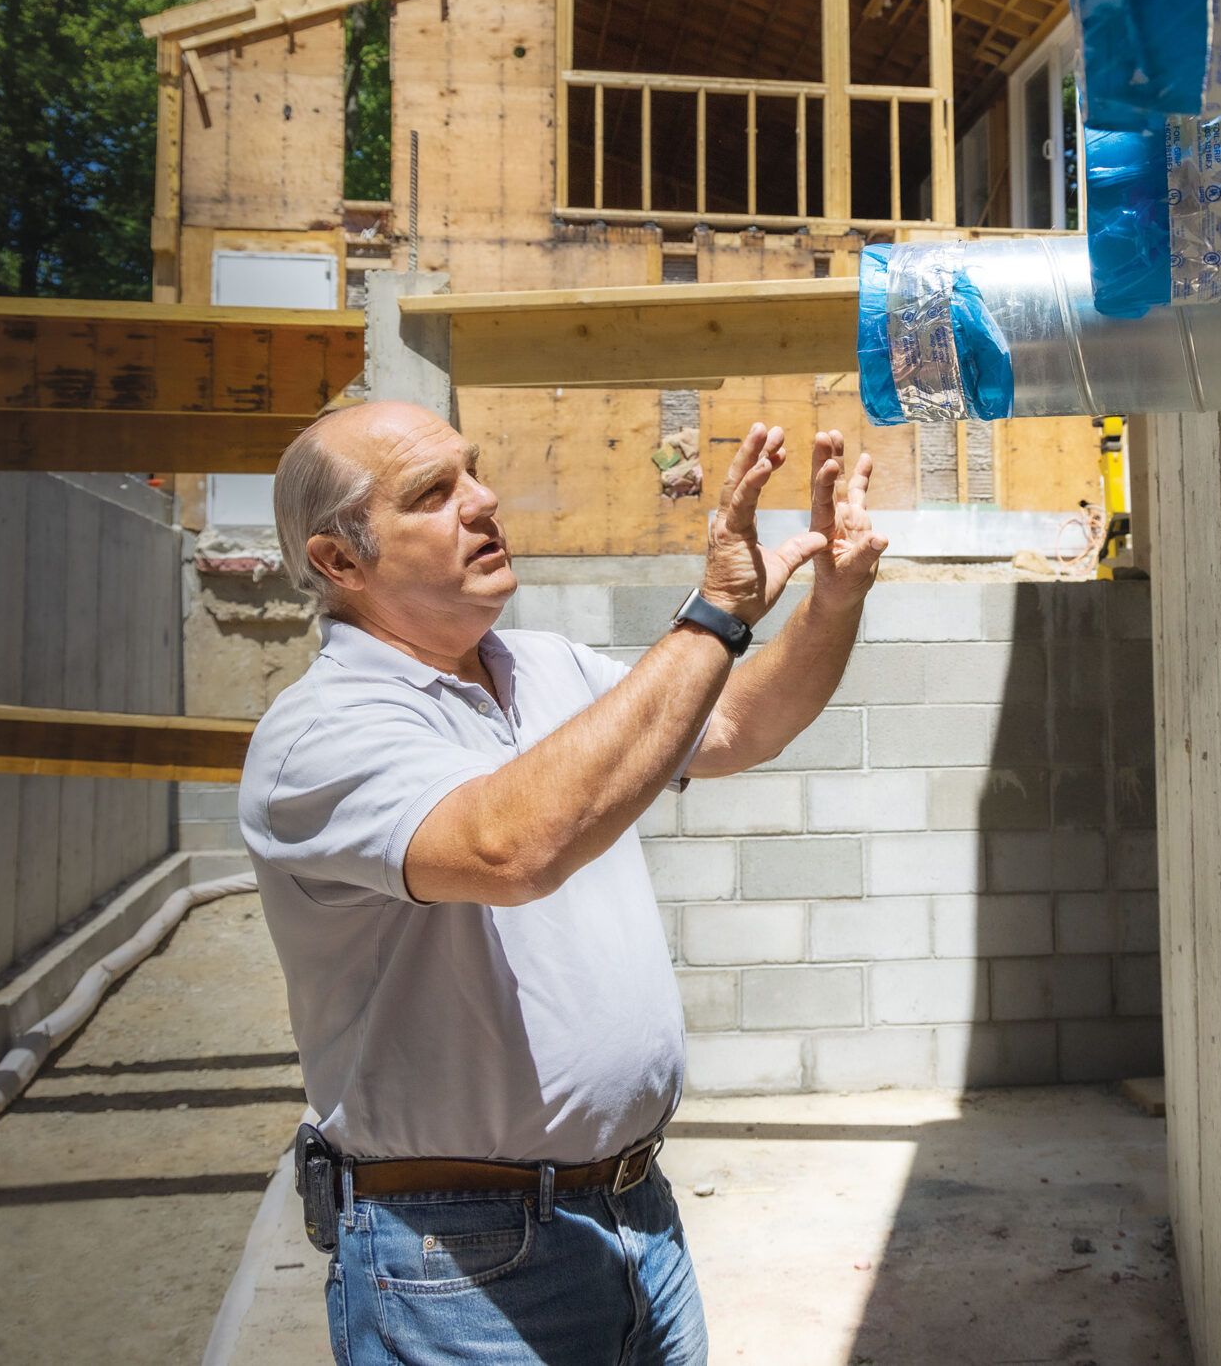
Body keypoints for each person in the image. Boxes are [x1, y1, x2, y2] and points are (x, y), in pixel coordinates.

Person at [240, 400, 888, 1365]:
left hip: (633, 1217)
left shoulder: (541, 666)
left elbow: (730, 727)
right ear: (340, 561)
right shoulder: (320, 733)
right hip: (458, 1261)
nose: (484, 498)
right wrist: (711, 614)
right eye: (433, 492)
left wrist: (832, 601)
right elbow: (512, 849)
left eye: (472, 470)